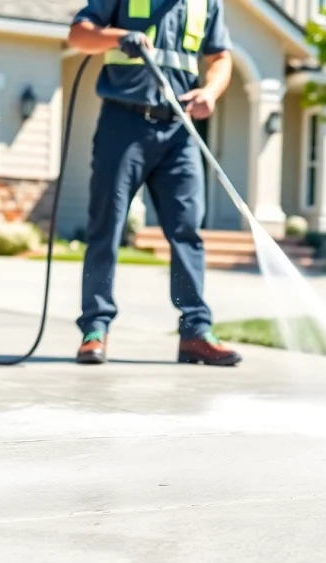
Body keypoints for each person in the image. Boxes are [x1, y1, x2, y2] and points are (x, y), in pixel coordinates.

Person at [66, 0, 241, 366]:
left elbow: (220, 57)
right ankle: (95, 330)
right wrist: (117, 38)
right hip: (123, 124)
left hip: (179, 130)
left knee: (187, 231)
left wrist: (210, 92)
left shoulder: (206, 3)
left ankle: (195, 332)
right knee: (106, 227)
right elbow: (80, 34)